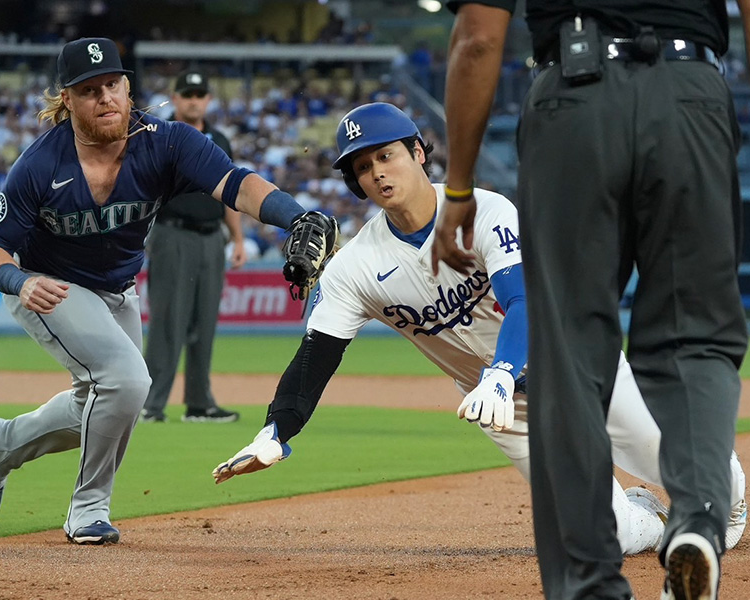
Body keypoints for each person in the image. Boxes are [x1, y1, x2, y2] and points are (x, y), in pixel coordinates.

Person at [210, 102, 748, 558]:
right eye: (362, 166)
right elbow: (315, 359)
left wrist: (502, 370)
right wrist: (276, 433)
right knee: (593, 536)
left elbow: (524, 299)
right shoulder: (354, 268)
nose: (377, 172)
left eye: (386, 154)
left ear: (419, 153)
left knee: (687, 470)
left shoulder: (484, 210)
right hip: (503, 407)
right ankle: (646, 516)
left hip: (577, 362)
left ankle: (727, 488)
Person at [432, 3, 750, 599]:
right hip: (692, 98)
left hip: (574, 102)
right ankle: (700, 521)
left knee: (570, 353)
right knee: (698, 340)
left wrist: (457, 189)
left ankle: (588, 585)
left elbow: (477, 37)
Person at [0, 37, 322, 545]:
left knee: (109, 401)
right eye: (89, 90)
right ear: (66, 99)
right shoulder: (41, 164)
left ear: (128, 87)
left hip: (115, 289)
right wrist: (20, 282)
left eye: (112, 83)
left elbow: (236, 183)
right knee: (130, 380)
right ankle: (88, 508)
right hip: (50, 287)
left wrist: (297, 216)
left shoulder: (166, 141)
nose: (105, 96)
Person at [141, 69, 245, 424]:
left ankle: (199, 404)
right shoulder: (159, 135)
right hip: (173, 234)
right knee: (168, 322)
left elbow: (231, 194)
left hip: (211, 237)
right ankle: (150, 404)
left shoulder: (219, 139)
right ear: (176, 98)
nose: (194, 100)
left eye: (199, 95)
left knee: (204, 323)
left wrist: (239, 239)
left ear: (208, 100)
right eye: (187, 94)